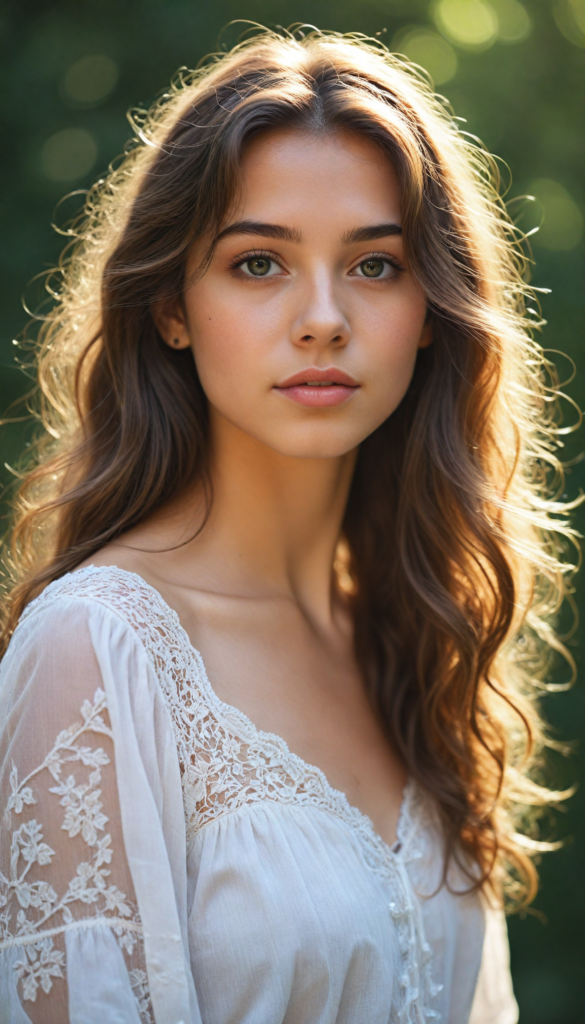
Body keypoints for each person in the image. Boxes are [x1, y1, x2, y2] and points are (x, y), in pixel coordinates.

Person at [0, 27, 575, 1024]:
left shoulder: (415, 633)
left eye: (377, 266)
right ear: (174, 304)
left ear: (432, 308)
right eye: (259, 263)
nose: (322, 318)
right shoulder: (97, 648)